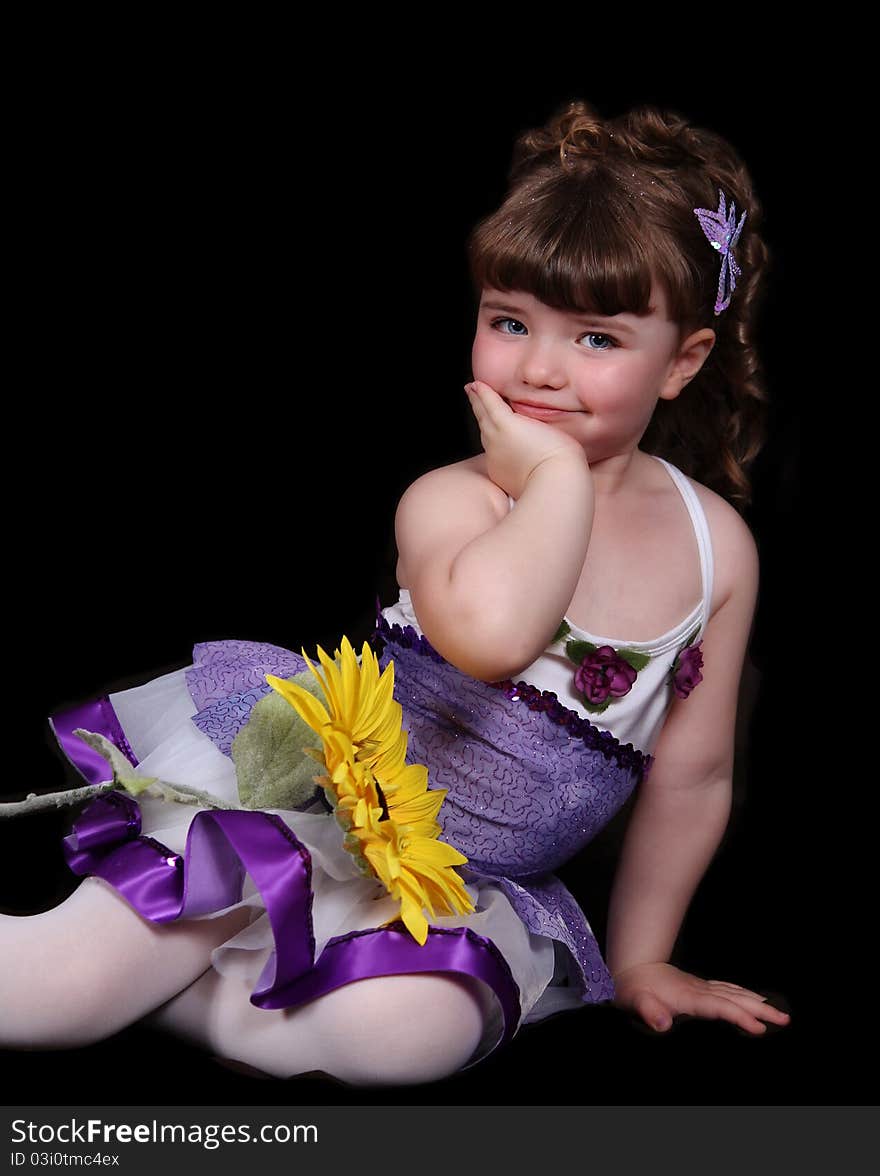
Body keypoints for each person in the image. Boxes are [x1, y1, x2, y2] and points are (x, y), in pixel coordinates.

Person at [0, 96, 791, 1086]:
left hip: (464, 880)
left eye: (595, 339)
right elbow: (496, 636)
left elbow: (692, 776)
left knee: (402, 1039)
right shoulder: (456, 500)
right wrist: (550, 482)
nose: (540, 368)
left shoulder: (715, 549)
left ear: (681, 361)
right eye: (510, 322)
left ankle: (195, 998)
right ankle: (97, 977)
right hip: (316, 796)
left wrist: (640, 956)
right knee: (54, 996)